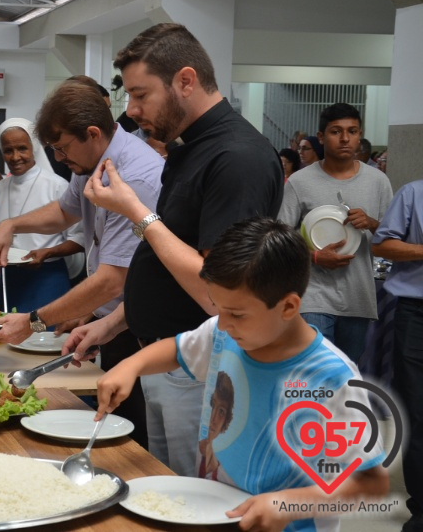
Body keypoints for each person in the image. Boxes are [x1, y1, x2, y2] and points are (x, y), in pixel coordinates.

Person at [69, 23, 284, 477]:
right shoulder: (192, 148)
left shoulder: (236, 158)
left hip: (199, 371)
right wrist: (112, 323)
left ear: (185, 81)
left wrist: (135, 212)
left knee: (194, 497)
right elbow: (168, 265)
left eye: (141, 95)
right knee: (167, 487)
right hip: (168, 362)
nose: (131, 110)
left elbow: (215, 290)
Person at [94, 217, 388, 532]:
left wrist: (286, 504)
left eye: (236, 313)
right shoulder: (226, 334)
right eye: (218, 308)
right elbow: (177, 350)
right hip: (214, 515)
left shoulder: (332, 378)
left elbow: (371, 484)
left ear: (288, 307)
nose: (222, 323)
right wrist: (131, 365)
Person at [0, 80, 163, 448]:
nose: (59, 159)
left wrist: (33, 321)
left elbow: (112, 281)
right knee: (108, 425)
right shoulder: (89, 162)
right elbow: (64, 211)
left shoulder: (132, 176)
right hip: (117, 319)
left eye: (62, 148)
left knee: (133, 438)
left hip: (145, 327)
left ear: (93, 133)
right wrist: (11, 224)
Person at [278, 102, 392, 364]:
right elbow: (280, 241)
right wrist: (315, 258)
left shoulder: (378, 182)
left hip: (358, 297)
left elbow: (389, 242)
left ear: (359, 135)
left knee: (344, 373)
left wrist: (373, 223)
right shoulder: (300, 181)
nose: (345, 139)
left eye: (352, 131)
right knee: (316, 369)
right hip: (313, 296)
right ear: (321, 137)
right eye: (335, 131)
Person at [0, 117, 85, 312]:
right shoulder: (0, 188)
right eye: (8, 150)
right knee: (0, 338)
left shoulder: (57, 185)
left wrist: (48, 252)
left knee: (42, 338)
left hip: (46, 278)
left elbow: (80, 237)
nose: (15, 157)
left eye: (22, 148)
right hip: (7, 278)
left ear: (35, 148)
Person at [372, 179, 423, 532]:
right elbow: (382, 245)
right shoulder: (414, 193)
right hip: (415, 312)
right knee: (418, 410)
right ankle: (421, 509)